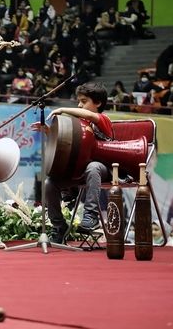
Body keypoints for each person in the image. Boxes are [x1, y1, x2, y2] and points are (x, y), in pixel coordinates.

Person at [34, 82, 114, 244]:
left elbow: (92, 116)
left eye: (84, 101)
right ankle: (59, 226)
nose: (79, 105)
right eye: (78, 101)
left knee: (93, 167)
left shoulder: (103, 120)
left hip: (103, 168)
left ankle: (91, 216)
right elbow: (69, 147)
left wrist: (63, 109)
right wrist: (50, 133)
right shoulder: (80, 124)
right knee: (50, 183)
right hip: (78, 171)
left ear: (98, 103)